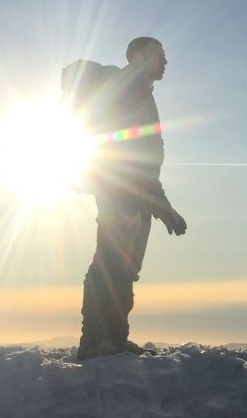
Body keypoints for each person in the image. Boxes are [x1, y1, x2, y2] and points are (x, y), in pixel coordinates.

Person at [77, 37, 187, 360]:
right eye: (159, 55)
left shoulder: (140, 94)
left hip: (133, 195)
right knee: (110, 263)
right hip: (120, 193)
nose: (165, 61)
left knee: (123, 267)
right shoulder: (124, 88)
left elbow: (147, 161)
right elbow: (127, 153)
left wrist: (162, 205)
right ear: (137, 57)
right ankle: (96, 342)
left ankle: (112, 337)